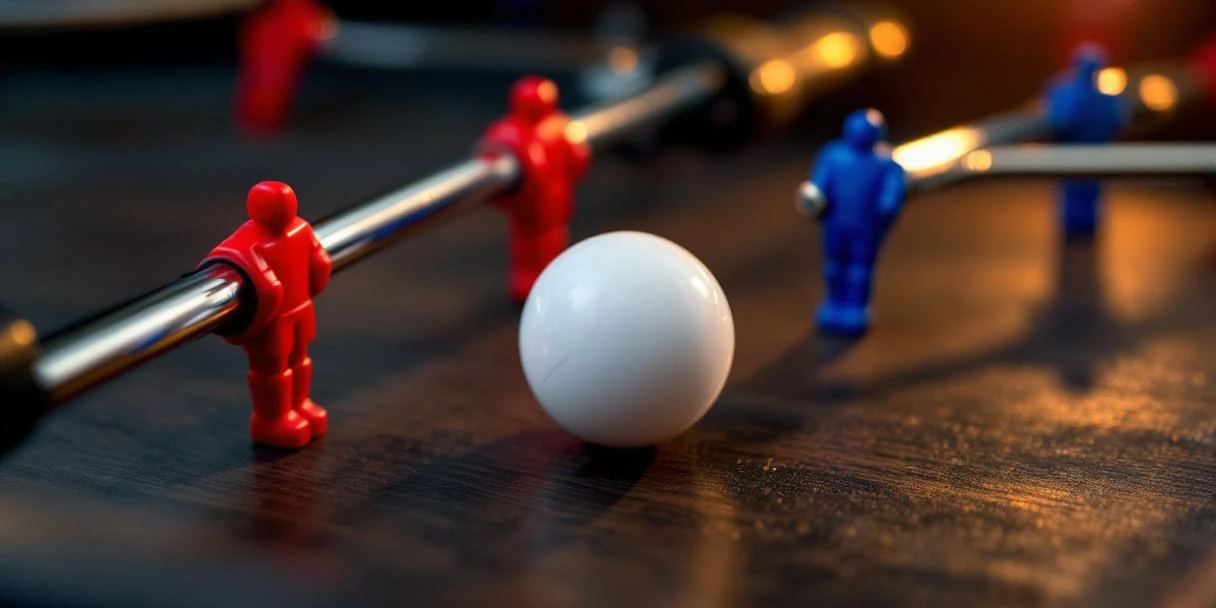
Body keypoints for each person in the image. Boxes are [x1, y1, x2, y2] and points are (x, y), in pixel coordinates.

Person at [203, 181, 333, 449]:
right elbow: (227, 259)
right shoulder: (252, 240)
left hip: (297, 310)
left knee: (299, 361)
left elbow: (319, 262)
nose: (284, 208)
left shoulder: (299, 229)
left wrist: (314, 280)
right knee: (272, 370)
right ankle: (271, 420)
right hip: (276, 319)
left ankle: (299, 405)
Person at [479, 76, 591, 303]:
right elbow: (579, 159)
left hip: (541, 204)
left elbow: (576, 160)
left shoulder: (512, 131)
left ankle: (536, 282)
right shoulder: (562, 126)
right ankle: (547, 281)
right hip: (550, 201)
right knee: (548, 239)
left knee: (534, 241)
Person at [800, 109, 906, 337]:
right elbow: (819, 183)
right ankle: (835, 303)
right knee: (834, 267)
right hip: (836, 225)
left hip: (865, 229)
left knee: (860, 268)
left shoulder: (886, 162)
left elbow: (892, 191)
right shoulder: (832, 155)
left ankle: (856, 307)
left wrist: (888, 204)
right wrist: (813, 197)